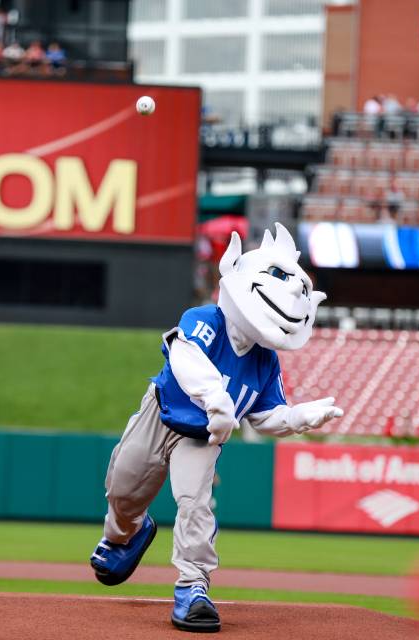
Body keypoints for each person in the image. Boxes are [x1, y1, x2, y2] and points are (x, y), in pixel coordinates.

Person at [88, 224, 342, 633]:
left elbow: (263, 416)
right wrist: (215, 397)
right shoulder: (207, 319)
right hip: (162, 412)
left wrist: (296, 418)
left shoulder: (265, 362)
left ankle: (193, 586)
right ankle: (126, 534)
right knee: (122, 486)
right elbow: (184, 357)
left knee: (194, 503)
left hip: (203, 437)